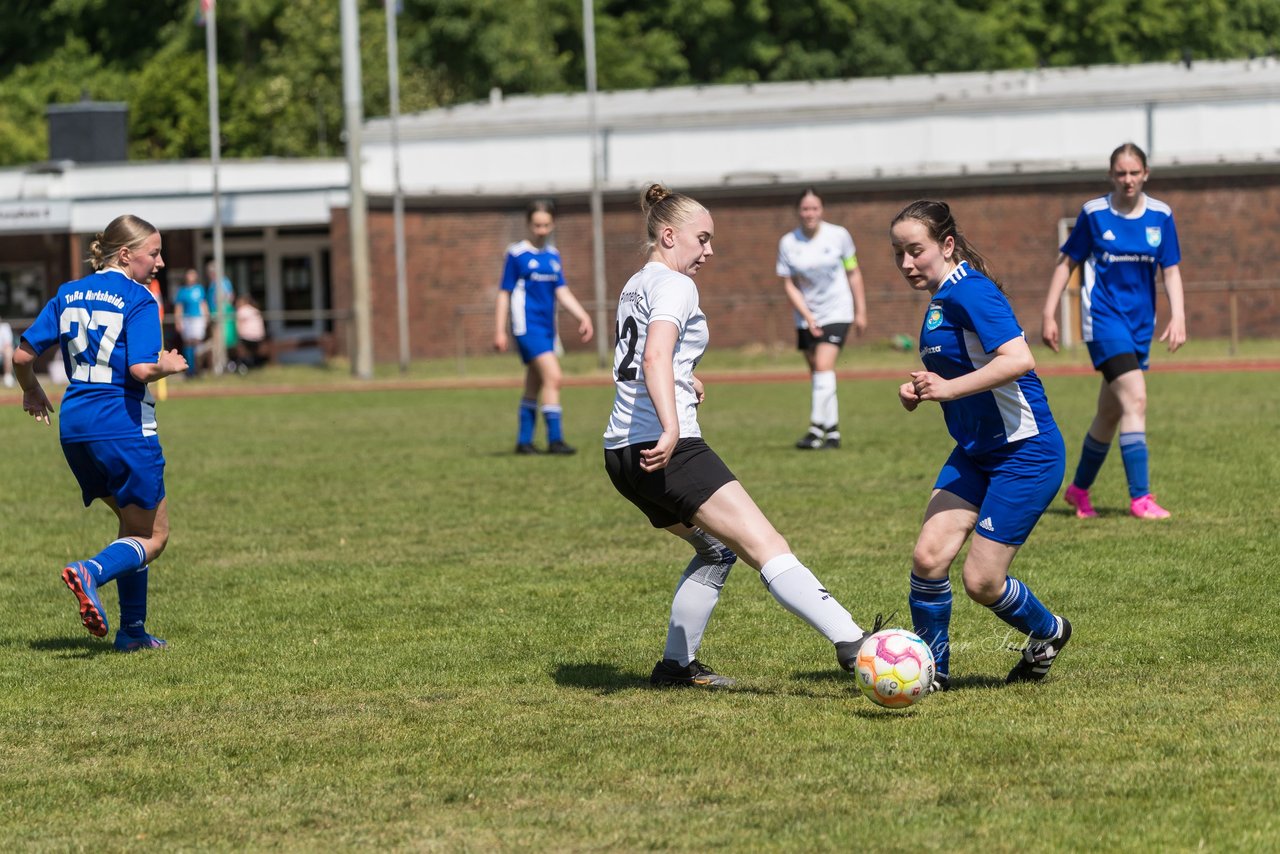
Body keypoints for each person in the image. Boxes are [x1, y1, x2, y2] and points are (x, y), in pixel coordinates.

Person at [604, 183, 881, 689]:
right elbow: (653, 356)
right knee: (766, 545)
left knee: (716, 550)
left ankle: (674, 667)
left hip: (619, 452)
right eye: (702, 239)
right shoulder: (676, 285)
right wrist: (670, 424)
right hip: (667, 448)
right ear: (669, 235)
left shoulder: (635, 283)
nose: (710, 251)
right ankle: (853, 642)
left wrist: (686, 377)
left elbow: (646, 357)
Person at [890, 199, 1071, 690]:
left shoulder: (971, 291)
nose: (907, 263)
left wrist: (947, 388)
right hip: (975, 450)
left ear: (946, 245)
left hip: (1025, 452)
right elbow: (962, 368)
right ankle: (932, 671)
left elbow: (1018, 359)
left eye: (915, 251)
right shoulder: (939, 299)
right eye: (899, 253)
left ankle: (1050, 632)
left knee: (982, 583)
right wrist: (925, 388)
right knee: (928, 559)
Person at [13, 214, 188, 652]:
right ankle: (89, 571)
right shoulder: (141, 298)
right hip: (122, 425)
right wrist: (166, 365)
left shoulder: (68, 292)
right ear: (127, 255)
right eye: (154, 253)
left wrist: (33, 392)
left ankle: (132, 632)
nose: (161, 262)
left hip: (74, 426)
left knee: (131, 526)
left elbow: (20, 356)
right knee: (154, 536)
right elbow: (140, 369)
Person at [1041, 142, 1186, 520]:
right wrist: (1049, 313)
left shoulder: (1161, 216)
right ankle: (1141, 499)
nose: (1127, 180)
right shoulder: (1094, 214)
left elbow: (1170, 270)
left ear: (1145, 174)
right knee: (1136, 399)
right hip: (1103, 322)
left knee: (1109, 414)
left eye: (1134, 172)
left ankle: (1078, 490)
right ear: (1111, 175)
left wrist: (1179, 315)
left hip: (1140, 326)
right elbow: (1066, 262)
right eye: (1120, 173)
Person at [493, 200, 594, 455]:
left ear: (553, 224)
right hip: (526, 327)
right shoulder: (516, 255)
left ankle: (524, 442)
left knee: (534, 383)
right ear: (528, 224)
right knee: (554, 377)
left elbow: (562, 291)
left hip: (548, 328)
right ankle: (555, 440)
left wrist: (582, 316)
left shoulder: (553, 256)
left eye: (546, 224)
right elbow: (504, 293)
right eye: (537, 225)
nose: (541, 229)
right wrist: (499, 330)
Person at [776, 188, 868, 449]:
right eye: (805, 209)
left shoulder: (839, 235)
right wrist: (807, 315)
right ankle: (833, 432)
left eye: (814, 208)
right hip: (806, 316)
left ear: (822, 210)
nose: (810, 213)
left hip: (838, 310)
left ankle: (815, 430)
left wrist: (860, 310)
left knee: (823, 367)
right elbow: (789, 284)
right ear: (798, 211)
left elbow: (854, 273)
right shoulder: (788, 243)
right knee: (819, 375)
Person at [173, 267, 208, 377]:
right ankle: (190, 369)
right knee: (188, 343)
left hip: (198, 319)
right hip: (187, 319)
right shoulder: (182, 291)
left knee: (198, 343)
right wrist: (178, 321)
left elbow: (203, 303)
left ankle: (199, 369)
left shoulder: (199, 289)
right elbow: (178, 307)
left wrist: (206, 317)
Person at [205, 262, 239, 373]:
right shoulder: (213, 284)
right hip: (215, 316)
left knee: (220, 342)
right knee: (217, 342)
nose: (210, 274)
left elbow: (229, 298)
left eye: (211, 272)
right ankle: (219, 364)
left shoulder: (223, 282)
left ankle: (221, 365)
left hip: (222, 317)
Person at [235, 294, 268, 369]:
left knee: (240, 347)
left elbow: (238, 326)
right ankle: (255, 365)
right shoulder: (255, 310)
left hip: (247, 337)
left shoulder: (242, 310)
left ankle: (243, 365)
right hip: (259, 337)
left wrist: (237, 335)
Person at [0, 315, 14, 388]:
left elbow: (8, 344)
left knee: (9, 351)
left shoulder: (5, 327)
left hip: (3, 353)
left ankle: (8, 377)